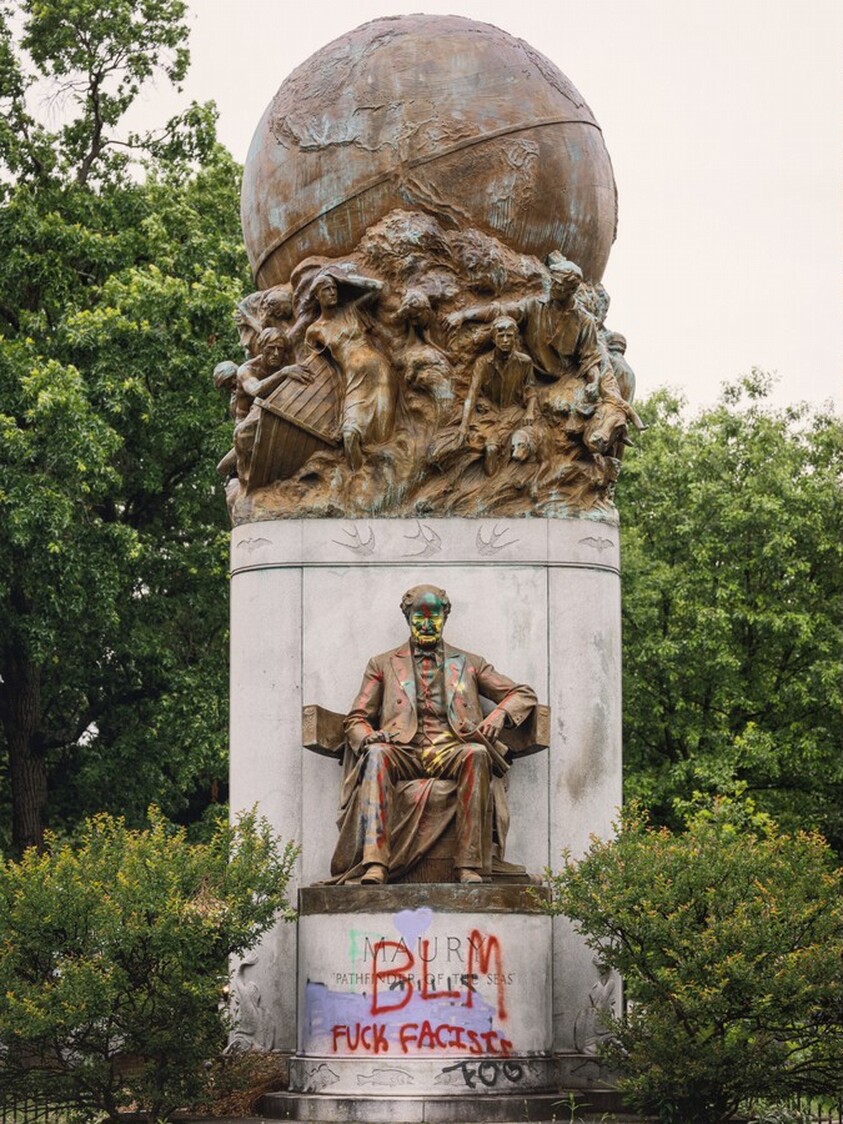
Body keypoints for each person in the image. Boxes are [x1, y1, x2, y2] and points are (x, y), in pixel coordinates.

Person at [332, 585, 537, 885]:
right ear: (408, 618)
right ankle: (375, 864)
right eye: (419, 618)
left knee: (477, 754)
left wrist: (500, 714)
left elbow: (523, 694)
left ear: (445, 617)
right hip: (402, 749)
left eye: (434, 617)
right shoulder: (382, 663)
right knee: (376, 755)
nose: (427, 625)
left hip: (451, 748)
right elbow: (356, 718)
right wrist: (367, 737)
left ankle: (468, 865)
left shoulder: (469, 663)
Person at [459, 315, 537, 475]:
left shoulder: (525, 362)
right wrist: (464, 424)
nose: (505, 340)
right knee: (481, 447)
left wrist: (529, 411)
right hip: (489, 413)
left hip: (512, 413)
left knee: (495, 448)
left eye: (509, 336)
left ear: (515, 338)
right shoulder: (483, 362)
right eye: (501, 336)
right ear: (494, 339)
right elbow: (472, 393)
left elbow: (531, 390)